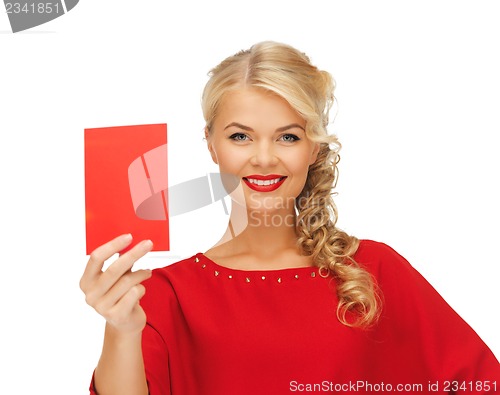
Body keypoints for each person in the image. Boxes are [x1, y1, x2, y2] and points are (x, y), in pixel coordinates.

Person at [81, 41, 500, 395]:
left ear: (314, 148)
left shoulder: (374, 270)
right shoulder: (160, 294)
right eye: (240, 136)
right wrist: (120, 328)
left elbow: (480, 381)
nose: (264, 158)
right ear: (210, 144)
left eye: (288, 136)